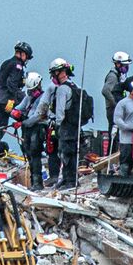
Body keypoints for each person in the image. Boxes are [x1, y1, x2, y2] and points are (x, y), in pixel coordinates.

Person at [10, 72, 47, 191]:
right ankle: (33, 181)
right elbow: (17, 109)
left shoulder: (43, 98)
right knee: (29, 153)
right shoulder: (28, 97)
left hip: (37, 128)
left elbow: (37, 116)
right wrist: (16, 114)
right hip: (27, 130)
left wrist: (23, 121)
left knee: (35, 154)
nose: (31, 92)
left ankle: (38, 182)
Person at [0, 42, 33, 140]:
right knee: (27, 120)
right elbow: (11, 84)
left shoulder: (6, 62)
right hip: (8, 101)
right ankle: (28, 147)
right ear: (23, 54)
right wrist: (14, 99)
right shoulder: (18, 66)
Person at [50, 58, 80, 190]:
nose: (53, 76)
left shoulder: (62, 89)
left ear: (61, 72)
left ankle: (70, 181)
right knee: (71, 152)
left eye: (54, 73)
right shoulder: (73, 86)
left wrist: (57, 125)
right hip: (74, 125)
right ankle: (68, 179)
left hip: (66, 126)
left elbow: (60, 112)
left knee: (65, 153)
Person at [102, 52, 131, 138]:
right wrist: (116, 104)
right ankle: (112, 151)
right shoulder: (113, 76)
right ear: (118, 64)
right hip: (112, 109)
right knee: (114, 133)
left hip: (115, 109)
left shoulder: (119, 76)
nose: (126, 68)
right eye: (125, 65)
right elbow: (105, 91)